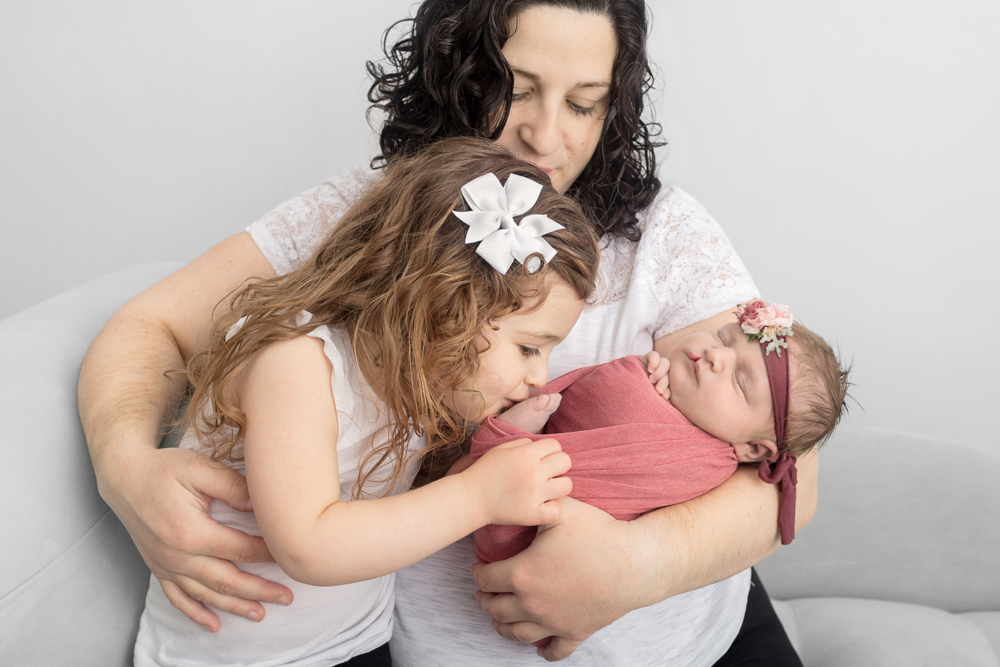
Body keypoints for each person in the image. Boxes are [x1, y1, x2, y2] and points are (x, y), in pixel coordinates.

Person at [79, 1, 818, 665]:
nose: (546, 136)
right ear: (456, 70)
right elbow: (152, 326)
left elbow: (793, 459)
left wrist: (636, 566)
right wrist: (125, 469)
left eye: (585, 103)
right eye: (518, 89)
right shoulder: (370, 223)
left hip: (699, 647)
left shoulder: (663, 233)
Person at [133, 138, 601, 666]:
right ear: (446, 304)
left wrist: (484, 461)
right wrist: (477, 496)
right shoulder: (297, 363)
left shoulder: (415, 379)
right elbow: (307, 544)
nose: (539, 376)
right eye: (529, 348)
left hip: (356, 644)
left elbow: (390, 519)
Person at [471, 306, 851, 570]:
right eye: (723, 336)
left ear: (752, 449)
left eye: (739, 381)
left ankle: (503, 446)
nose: (717, 355)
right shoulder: (666, 380)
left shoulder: (705, 464)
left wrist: (638, 392)